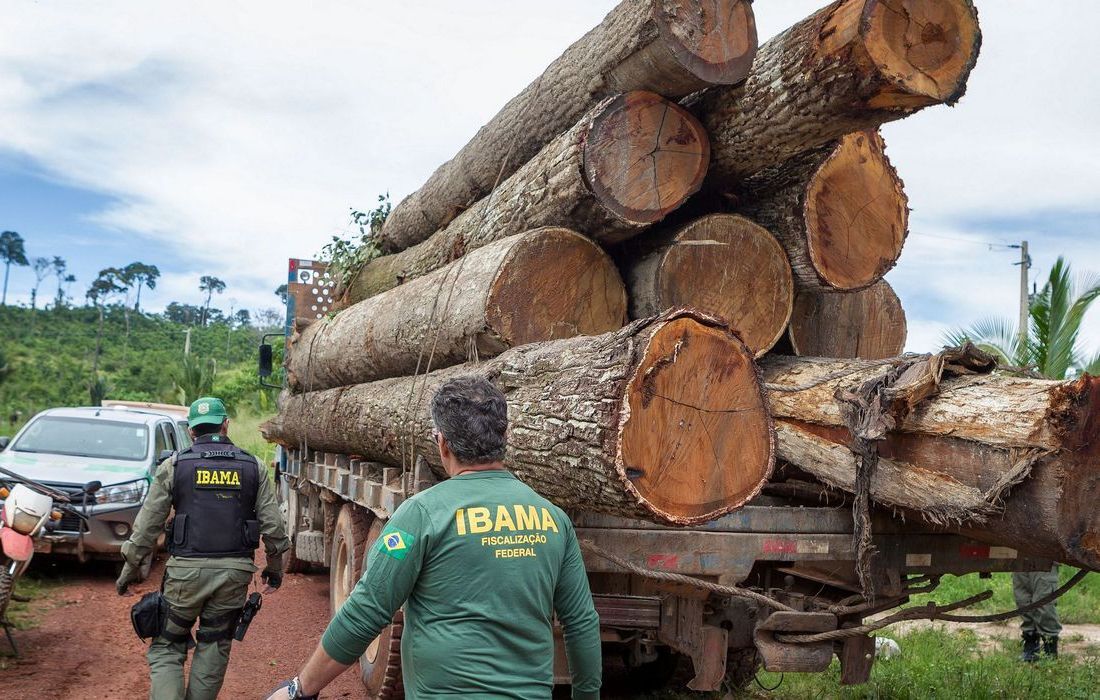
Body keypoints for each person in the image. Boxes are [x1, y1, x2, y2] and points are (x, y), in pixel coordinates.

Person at [266, 376, 602, 700]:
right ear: (506, 435)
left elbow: (366, 611)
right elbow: (581, 622)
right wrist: (587, 695)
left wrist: (301, 689)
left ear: (442, 443)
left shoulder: (420, 515)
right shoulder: (553, 519)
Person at [116, 396, 289, 699]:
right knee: (214, 642)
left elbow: (147, 528)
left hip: (184, 574)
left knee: (167, 644)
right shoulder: (254, 467)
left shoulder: (174, 466)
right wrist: (274, 570)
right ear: (225, 425)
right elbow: (274, 528)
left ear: (191, 431)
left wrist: (129, 572)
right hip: (234, 575)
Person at [1013, 566, 1062, 661]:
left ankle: (1050, 650)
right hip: (1020, 556)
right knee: (1023, 600)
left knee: (1044, 602)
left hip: (1044, 556)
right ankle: (1030, 645)